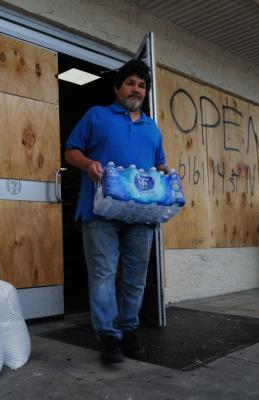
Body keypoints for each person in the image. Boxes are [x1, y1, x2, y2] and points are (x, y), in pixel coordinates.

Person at [64, 59, 169, 364]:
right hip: (100, 211)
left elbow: (159, 162)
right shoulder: (97, 115)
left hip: (141, 212)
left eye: (142, 85)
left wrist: (164, 171)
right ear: (117, 88)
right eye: (130, 83)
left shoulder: (152, 128)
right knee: (103, 274)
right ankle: (108, 335)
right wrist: (87, 164)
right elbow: (71, 151)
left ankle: (129, 328)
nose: (136, 89)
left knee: (135, 275)